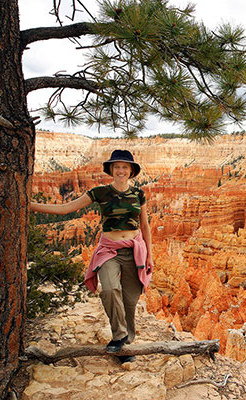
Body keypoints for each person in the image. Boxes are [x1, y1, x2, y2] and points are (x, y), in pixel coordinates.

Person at [30, 149, 154, 363]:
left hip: (134, 250)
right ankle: (119, 335)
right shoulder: (100, 192)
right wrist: (30, 205)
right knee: (110, 287)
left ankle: (126, 345)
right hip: (109, 251)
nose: (121, 170)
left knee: (130, 301)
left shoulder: (139, 194)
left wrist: (150, 255)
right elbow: (66, 209)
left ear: (131, 170)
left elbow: (145, 225)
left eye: (125, 167)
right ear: (111, 170)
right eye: (117, 167)